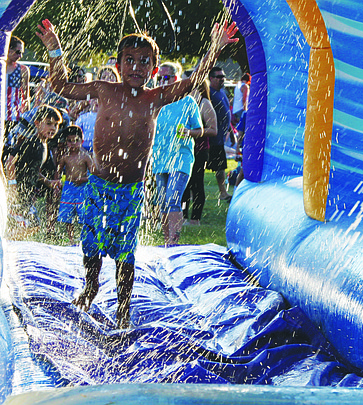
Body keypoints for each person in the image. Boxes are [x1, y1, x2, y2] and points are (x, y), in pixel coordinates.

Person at [36, 18, 238, 328]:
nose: (136, 66)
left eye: (145, 62)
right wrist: (54, 50)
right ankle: (90, 289)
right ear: (117, 64)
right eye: (129, 60)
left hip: (131, 192)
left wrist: (216, 46)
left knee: (125, 254)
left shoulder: (154, 98)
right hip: (99, 185)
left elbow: (195, 79)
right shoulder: (104, 89)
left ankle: (123, 307)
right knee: (92, 247)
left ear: (155, 70)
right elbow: (61, 87)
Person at [151, 62, 203, 244]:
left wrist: (189, 132)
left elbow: (200, 130)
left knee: (173, 198)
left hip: (181, 156)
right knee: (163, 202)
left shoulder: (187, 101)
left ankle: (174, 240)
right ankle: (167, 240)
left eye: (168, 78)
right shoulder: (156, 100)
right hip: (159, 158)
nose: (163, 81)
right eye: (160, 78)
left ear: (177, 79)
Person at [6, 104, 63, 226]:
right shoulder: (33, 143)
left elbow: (34, 170)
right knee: (30, 225)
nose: (53, 128)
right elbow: (10, 161)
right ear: (37, 123)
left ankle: (11, 240)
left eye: (56, 125)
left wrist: (49, 182)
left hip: (27, 193)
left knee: (31, 225)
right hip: (20, 192)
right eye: (48, 123)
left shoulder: (44, 144)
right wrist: (12, 184)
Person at [182, 79, 217, 226]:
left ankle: (195, 219)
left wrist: (191, 133)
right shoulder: (185, 102)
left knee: (196, 184)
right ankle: (183, 217)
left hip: (200, 150)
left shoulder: (204, 103)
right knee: (184, 184)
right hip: (185, 149)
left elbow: (213, 130)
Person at [55, 126, 94, 245]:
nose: (73, 143)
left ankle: (83, 237)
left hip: (82, 187)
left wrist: (84, 179)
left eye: (76, 140)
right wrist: (57, 184)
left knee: (83, 213)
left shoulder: (85, 156)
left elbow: (93, 175)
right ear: (66, 142)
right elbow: (58, 171)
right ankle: (71, 239)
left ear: (82, 141)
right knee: (68, 214)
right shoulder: (65, 157)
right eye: (70, 141)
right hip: (68, 187)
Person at [207, 66, 233, 202]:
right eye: (219, 77)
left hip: (221, 137)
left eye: (223, 76)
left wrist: (231, 132)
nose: (222, 79)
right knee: (218, 166)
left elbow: (226, 114)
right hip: (211, 138)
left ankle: (223, 192)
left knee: (221, 166)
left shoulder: (222, 92)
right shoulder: (209, 93)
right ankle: (222, 192)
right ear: (211, 78)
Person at [3, 36, 30, 166]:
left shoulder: (23, 70)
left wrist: (27, 116)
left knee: (11, 150)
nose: (20, 56)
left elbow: (26, 94)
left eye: (21, 53)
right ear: (8, 50)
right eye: (18, 52)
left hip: (14, 116)